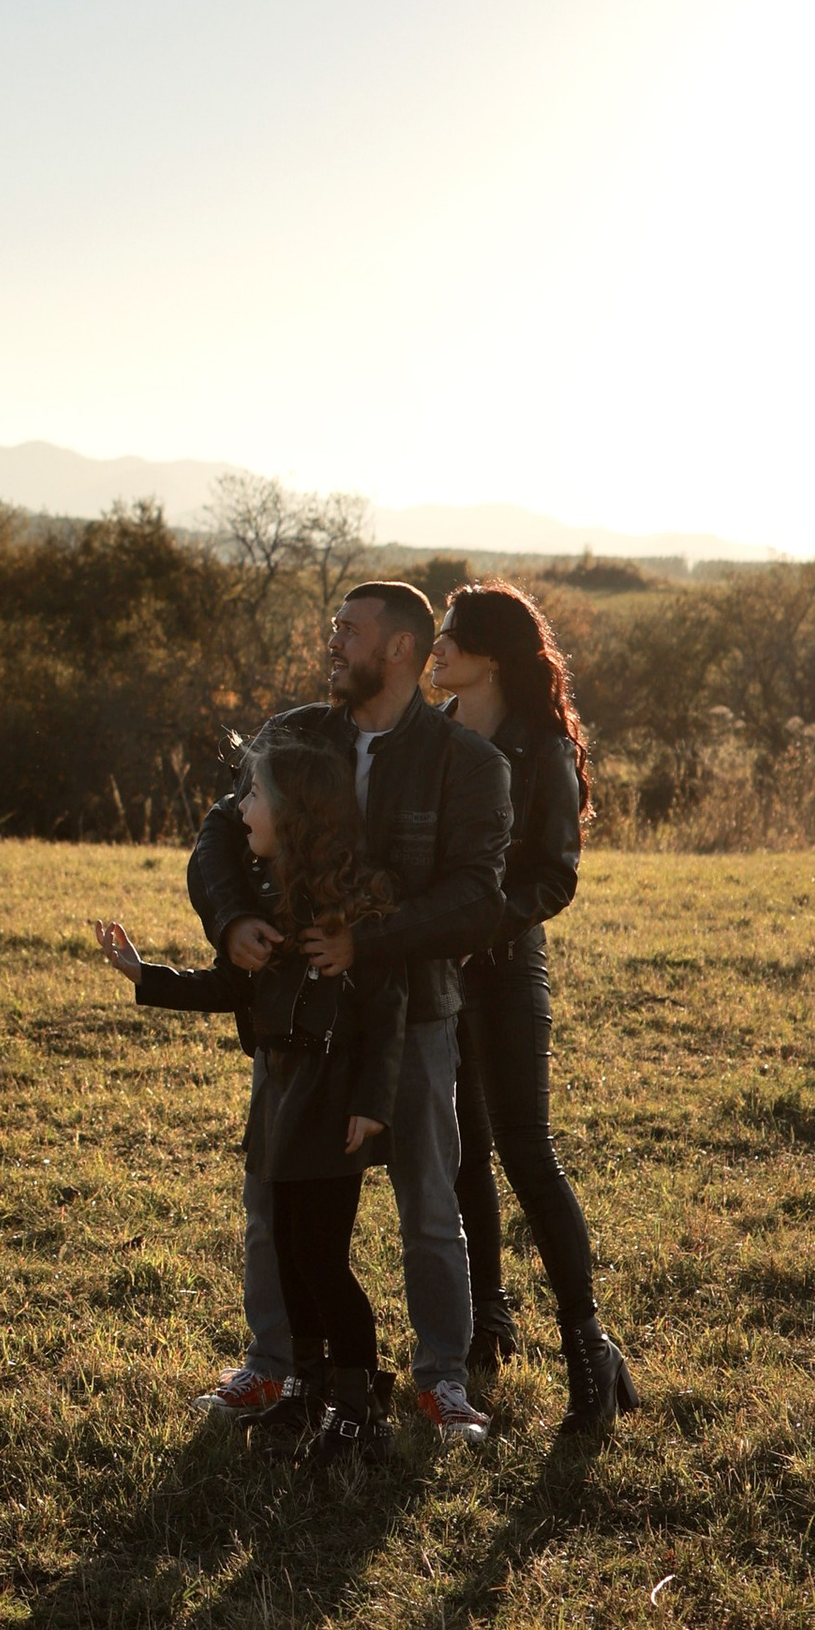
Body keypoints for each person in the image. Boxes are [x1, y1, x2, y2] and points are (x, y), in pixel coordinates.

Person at [188, 580, 508, 1452]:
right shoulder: (292, 735)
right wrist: (231, 920)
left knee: (429, 1207)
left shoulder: (465, 763)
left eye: (348, 631)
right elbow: (218, 837)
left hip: (416, 1020)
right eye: (333, 629)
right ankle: (276, 1364)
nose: (333, 644)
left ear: (398, 649)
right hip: (295, 1021)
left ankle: (441, 1379)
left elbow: (480, 899)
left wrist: (368, 942)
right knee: (273, 1200)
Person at [95, 738, 403, 1469]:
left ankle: (360, 1411)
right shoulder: (267, 901)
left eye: (253, 797)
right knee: (292, 1260)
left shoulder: (350, 912)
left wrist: (371, 1103)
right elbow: (229, 989)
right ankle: (306, 1387)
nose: (239, 809)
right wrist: (145, 975)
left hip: (332, 1102)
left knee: (324, 1260)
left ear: (293, 814)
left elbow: (386, 1011)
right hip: (281, 1100)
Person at [429, 580, 637, 1442]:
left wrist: (481, 926)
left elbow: (554, 876)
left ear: (488, 654)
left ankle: (590, 1351)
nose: (433, 650)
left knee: (526, 1152)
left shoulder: (539, 746)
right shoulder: (438, 735)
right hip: (442, 973)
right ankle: (491, 1318)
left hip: (507, 973)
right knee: (462, 1150)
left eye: (448, 638)